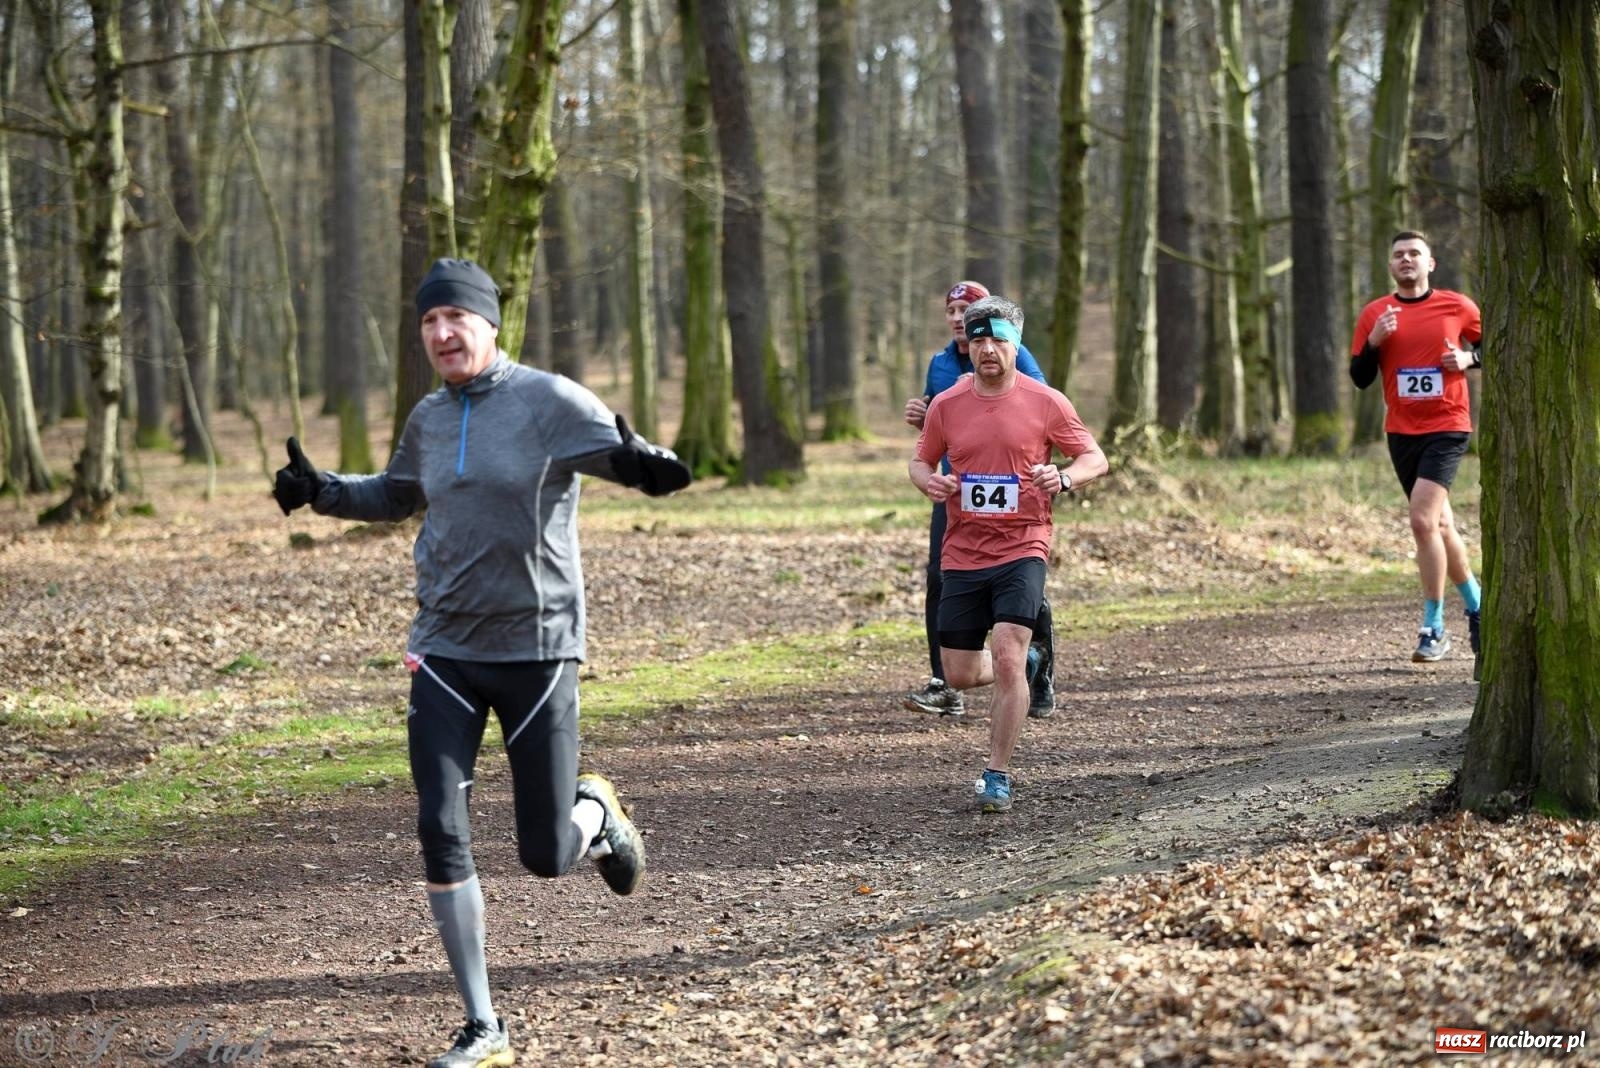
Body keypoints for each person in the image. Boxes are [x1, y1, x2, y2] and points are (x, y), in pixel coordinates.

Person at [272, 258, 691, 1068]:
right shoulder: (428, 416)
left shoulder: (549, 400)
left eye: (455, 318)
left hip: (537, 651)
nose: (440, 333)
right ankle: (483, 1024)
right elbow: (397, 495)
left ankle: (595, 815)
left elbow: (628, 457)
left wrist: (652, 466)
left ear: (491, 324)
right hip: (445, 651)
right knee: (440, 825)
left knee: (544, 855)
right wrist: (322, 488)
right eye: (428, 322)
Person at [909, 295, 1108, 813]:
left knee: (1006, 652)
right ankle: (1035, 660)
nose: (988, 349)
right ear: (968, 346)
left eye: (999, 339)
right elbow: (920, 460)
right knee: (956, 672)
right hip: (964, 549)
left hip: (1024, 544)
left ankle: (996, 774)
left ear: (1016, 344)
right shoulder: (948, 404)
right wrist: (930, 482)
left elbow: (1094, 457)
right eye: (978, 339)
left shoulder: (1046, 401)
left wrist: (1062, 477)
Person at [902, 280, 1059, 720]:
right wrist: (922, 418)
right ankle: (945, 682)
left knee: (1019, 583)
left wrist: (1057, 476)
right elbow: (940, 426)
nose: (957, 317)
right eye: (951, 310)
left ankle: (1032, 654)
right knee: (939, 577)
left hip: (1017, 493)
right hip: (956, 489)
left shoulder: (1013, 352)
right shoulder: (939, 362)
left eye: (966, 308)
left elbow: (1037, 410)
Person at [1350, 230, 1484, 677]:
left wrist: (1468, 361)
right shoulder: (1375, 314)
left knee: (1422, 520)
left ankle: (1434, 626)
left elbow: (1495, 342)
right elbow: (1359, 377)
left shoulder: (1457, 306)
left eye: (1414, 254)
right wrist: (1374, 342)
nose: (1406, 260)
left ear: (1431, 264)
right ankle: (1480, 607)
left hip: (1448, 426)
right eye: (1398, 255)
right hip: (1401, 431)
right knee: (1441, 524)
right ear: (1391, 266)